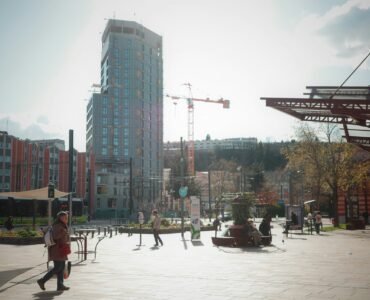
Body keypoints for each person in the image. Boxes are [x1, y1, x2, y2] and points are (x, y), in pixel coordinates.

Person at [37, 211, 71, 291]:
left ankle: (60, 285)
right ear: (60, 218)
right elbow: (56, 236)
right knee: (58, 267)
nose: (67, 219)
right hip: (57, 250)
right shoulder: (57, 225)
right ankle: (42, 280)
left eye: (67, 217)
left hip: (61, 249)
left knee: (61, 267)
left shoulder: (62, 225)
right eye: (65, 217)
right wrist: (64, 233)